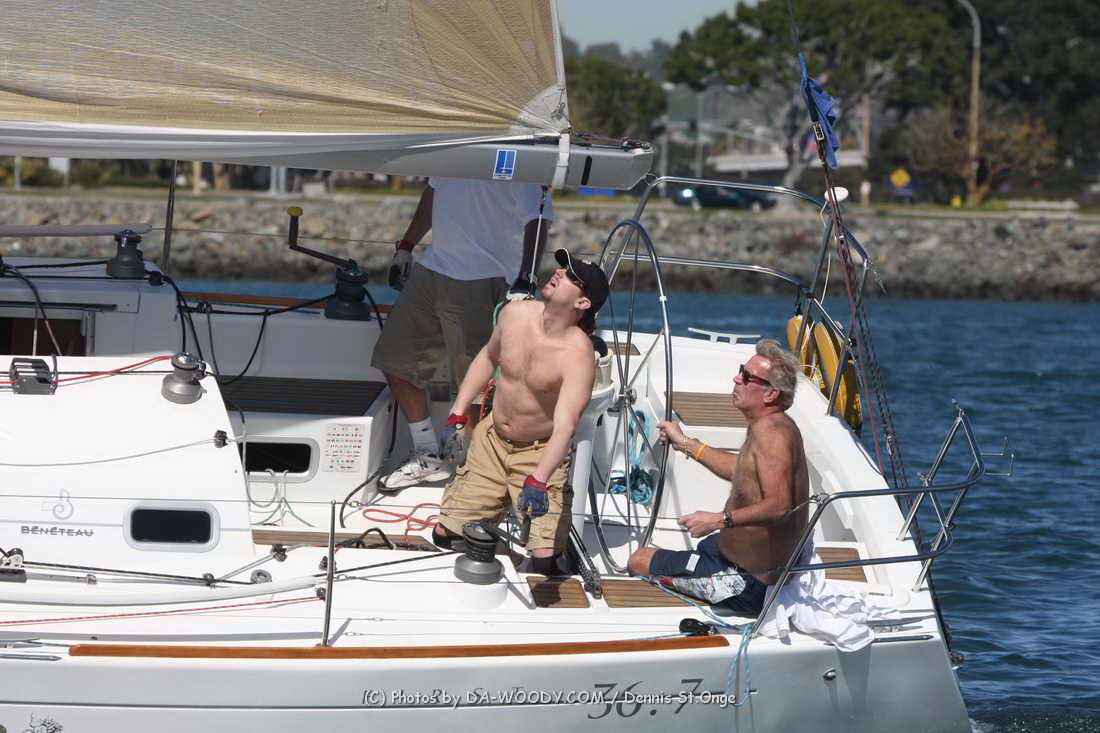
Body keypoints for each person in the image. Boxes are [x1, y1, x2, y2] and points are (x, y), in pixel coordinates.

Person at [431, 249, 609, 574]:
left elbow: (565, 427)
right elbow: (489, 357)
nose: (559, 272)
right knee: (445, 535)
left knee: (545, 560)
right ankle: (504, 551)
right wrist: (457, 413)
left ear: (583, 303)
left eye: (571, 276)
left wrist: (539, 480)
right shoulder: (514, 314)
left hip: (539, 452)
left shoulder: (577, 354)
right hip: (492, 441)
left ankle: (541, 549)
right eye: (562, 267)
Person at [373, 177, 553, 490]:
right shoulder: (449, 152)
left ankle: (478, 472)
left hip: (485, 277)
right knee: (395, 363)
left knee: (475, 391)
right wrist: (406, 246)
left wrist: (527, 276)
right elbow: (434, 190)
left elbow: (538, 218)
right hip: (431, 270)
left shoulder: (523, 158)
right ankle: (427, 454)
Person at [627, 339, 809, 616]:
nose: (736, 379)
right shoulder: (771, 424)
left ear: (771, 393)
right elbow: (744, 470)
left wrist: (717, 520)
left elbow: (779, 506)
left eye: (746, 376)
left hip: (746, 584)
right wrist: (686, 444)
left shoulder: (771, 434)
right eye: (740, 370)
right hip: (731, 556)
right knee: (701, 548)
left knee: (639, 560)